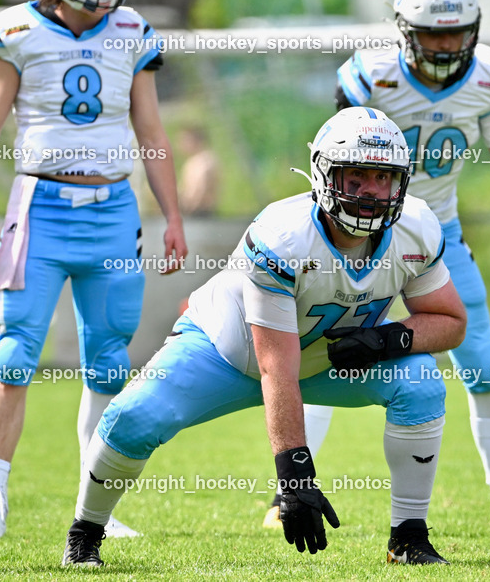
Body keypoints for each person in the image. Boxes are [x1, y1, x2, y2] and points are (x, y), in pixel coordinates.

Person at [61, 107, 467, 567]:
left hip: (321, 360)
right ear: (324, 174)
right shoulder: (282, 236)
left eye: (382, 177)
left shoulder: (415, 227)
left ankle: (409, 537)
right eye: (356, 175)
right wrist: (294, 475)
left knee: (420, 381)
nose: (372, 190)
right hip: (227, 353)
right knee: (133, 418)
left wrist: (385, 341)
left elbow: (450, 321)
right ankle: (85, 533)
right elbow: (275, 364)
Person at [265, 0, 490, 530]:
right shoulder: (372, 75)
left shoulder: (488, 76)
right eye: (433, 34)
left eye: (456, 32)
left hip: (438, 239)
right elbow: (335, 163)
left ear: (475, 28)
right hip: (357, 237)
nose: (447, 46)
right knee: (327, 354)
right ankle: (289, 493)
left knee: (486, 367)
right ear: (404, 30)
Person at [0, 0, 188, 542]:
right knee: (15, 357)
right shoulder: (16, 30)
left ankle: (98, 506)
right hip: (40, 211)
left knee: (110, 363)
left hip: (115, 211)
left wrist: (172, 216)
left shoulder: (134, 30)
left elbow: (151, 131)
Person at [177, 126, 220, 217]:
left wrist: (189, 209)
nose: (181, 145)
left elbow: (200, 191)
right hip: (190, 211)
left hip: (200, 213)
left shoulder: (206, 162)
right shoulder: (191, 162)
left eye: (185, 140)